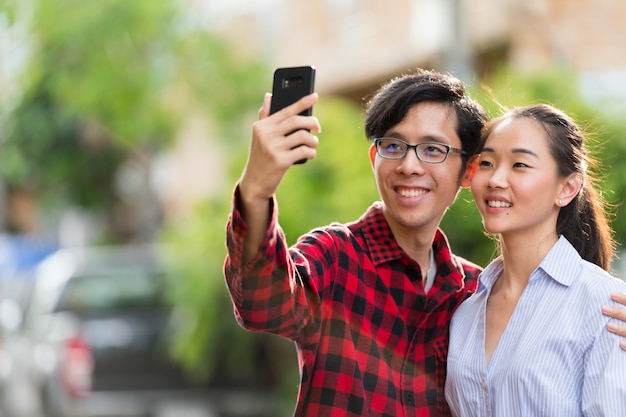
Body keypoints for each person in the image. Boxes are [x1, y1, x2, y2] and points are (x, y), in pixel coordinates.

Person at [224, 69, 626, 417]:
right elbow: (263, 302)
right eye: (393, 146)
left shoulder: (468, 294)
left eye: (433, 149)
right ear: (374, 158)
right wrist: (256, 190)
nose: (409, 165)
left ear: (466, 171)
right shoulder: (336, 257)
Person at [445, 104, 626, 416]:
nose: (496, 179)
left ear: (567, 188)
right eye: (486, 162)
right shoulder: (465, 311)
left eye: (520, 165)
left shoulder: (602, 302)